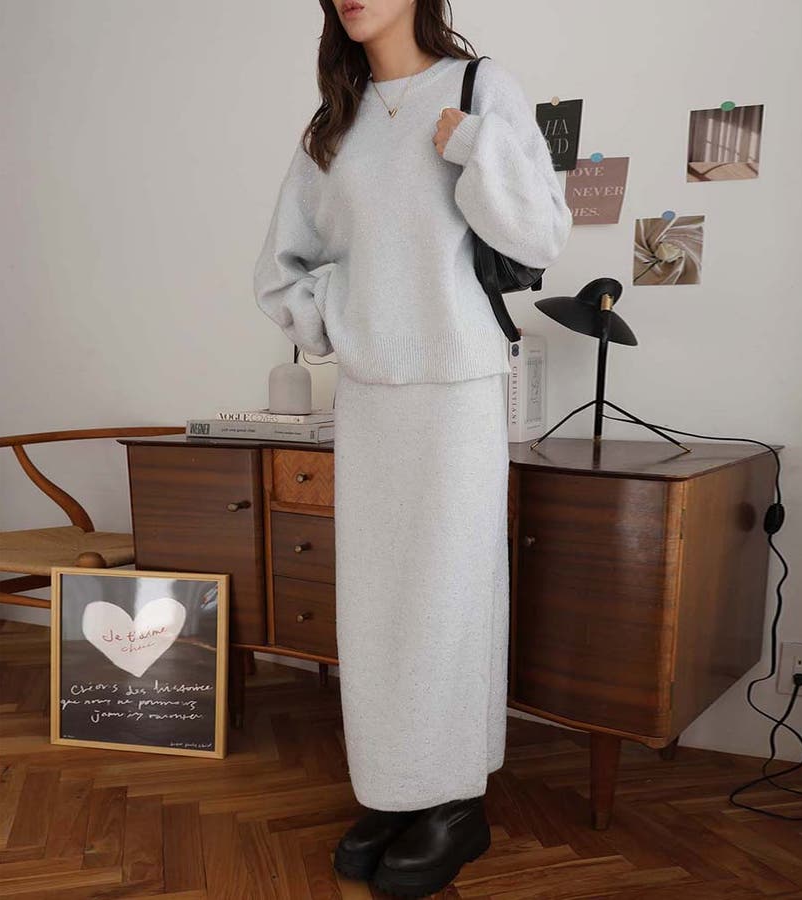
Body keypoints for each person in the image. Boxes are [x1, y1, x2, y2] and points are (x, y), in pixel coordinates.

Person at [253, 0, 572, 895]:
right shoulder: (333, 123)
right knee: (377, 602)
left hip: (458, 389)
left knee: (451, 592)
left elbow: (541, 233)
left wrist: (471, 143)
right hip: (370, 395)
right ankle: (398, 789)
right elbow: (281, 265)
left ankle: (454, 801)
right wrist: (342, 321)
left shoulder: (480, 87)